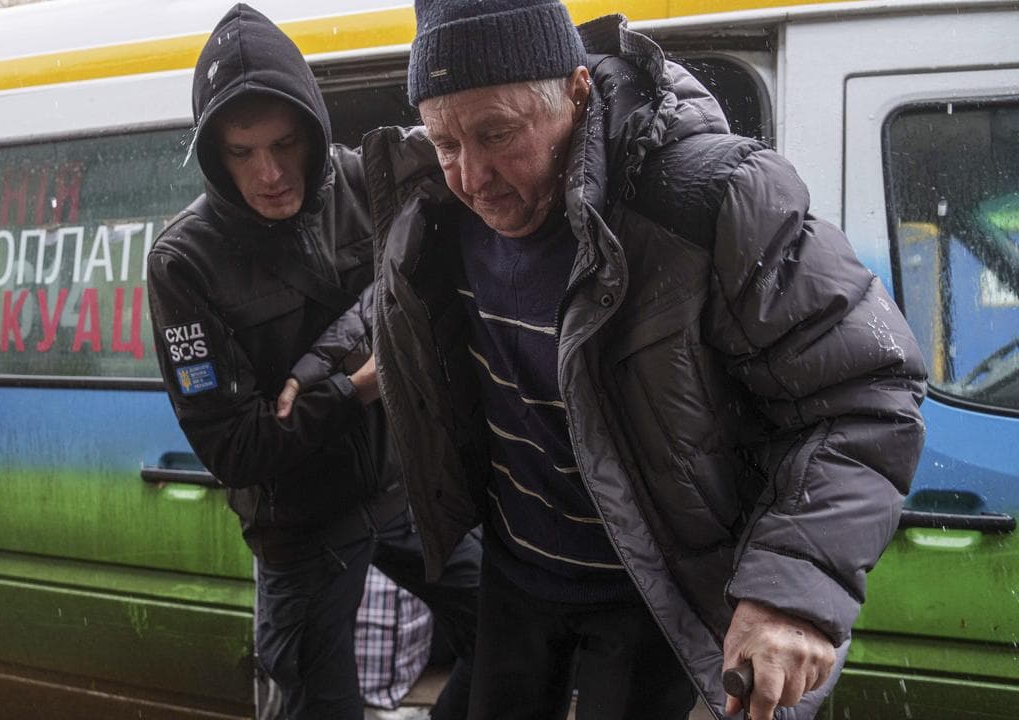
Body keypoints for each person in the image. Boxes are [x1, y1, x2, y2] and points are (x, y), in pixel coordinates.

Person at [288, 2, 927, 718]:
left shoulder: (712, 198)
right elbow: (384, 302)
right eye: (445, 141)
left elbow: (867, 392)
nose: (472, 176)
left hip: (653, 592)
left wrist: (791, 593)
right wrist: (314, 368)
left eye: (497, 134)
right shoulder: (434, 203)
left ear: (576, 90)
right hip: (515, 571)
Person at [144, 5, 479, 720]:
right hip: (298, 524)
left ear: (313, 130)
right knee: (316, 704)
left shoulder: (366, 183)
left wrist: (318, 378)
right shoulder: (183, 261)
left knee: (513, 634)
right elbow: (236, 448)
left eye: (284, 144)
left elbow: (433, 280)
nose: (268, 173)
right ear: (214, 154)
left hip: (406, 484)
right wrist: (360, 385)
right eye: (241, 153)